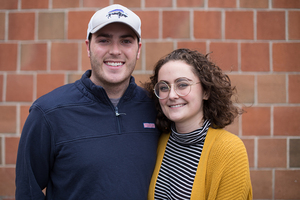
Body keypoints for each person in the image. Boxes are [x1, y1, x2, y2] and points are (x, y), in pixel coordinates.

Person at [15, 4, 160, 200]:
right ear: (88, 47)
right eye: (104, 40)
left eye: (126, 41)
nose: (115, 51)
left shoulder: (155, 108)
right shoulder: (48, 113)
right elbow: (27, 191)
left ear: (138, 49)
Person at [144, 48, 253, 199]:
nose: (172, 95)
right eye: (164, 87)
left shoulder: (229, 149)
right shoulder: (159, 142)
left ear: (206, 91)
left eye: (182, 85)